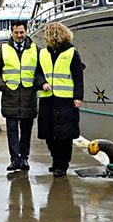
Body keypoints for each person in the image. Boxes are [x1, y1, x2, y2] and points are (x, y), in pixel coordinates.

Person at [34, 22, 84, 177]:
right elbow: (38, 74)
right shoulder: (43, 53)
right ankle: (56, 160)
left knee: (64, 135)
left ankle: (62, 165)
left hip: (65, 100)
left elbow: (78, 76)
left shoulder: (71, 52)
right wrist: (42, 83)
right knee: (49, 134)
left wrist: (78, 97)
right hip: (48, 99)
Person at [0, 20, 38, 172]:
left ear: (26, 32)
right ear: (11, 32)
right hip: (10, 95)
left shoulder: (35, 49)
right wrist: (2, 86)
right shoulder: (3, 49)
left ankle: (24, 158)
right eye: (16, 32)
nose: (19, 35)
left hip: (28, 95)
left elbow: (39, 71)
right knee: (11, 130)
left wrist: (36, 85)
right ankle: (14, 159)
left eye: (21, 32)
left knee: (26, 130)